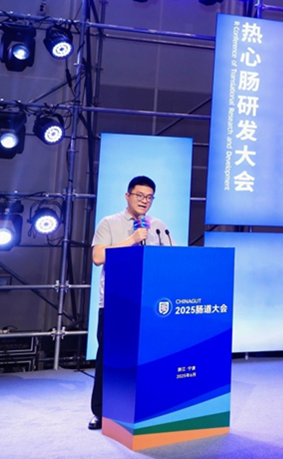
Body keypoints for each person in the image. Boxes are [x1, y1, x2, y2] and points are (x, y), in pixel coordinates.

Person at [88, 175, 173, 430]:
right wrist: (133, 239)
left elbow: (169, 259)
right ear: (128, 196)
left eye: (149, 197)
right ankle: (101, 411)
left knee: (148, 356)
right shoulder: (109, 222)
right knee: (109, 356)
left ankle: (146, 408)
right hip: (116, 303)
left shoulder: (158, 226)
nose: (144, 201)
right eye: (139, 195)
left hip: (149, 304)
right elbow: (98, 257)